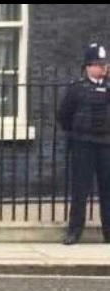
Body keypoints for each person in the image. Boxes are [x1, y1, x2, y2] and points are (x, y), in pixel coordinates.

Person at [57, 43, 110, 245]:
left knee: (108, 190)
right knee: (81, 189)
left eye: (103, 64)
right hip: (83, 145)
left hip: (106, 144)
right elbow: (64, 115)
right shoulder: (77, 89)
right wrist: (77, 133)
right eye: (98, 64)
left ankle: (109, 232)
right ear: (88, 66)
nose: (102, 67)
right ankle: (74, 232)